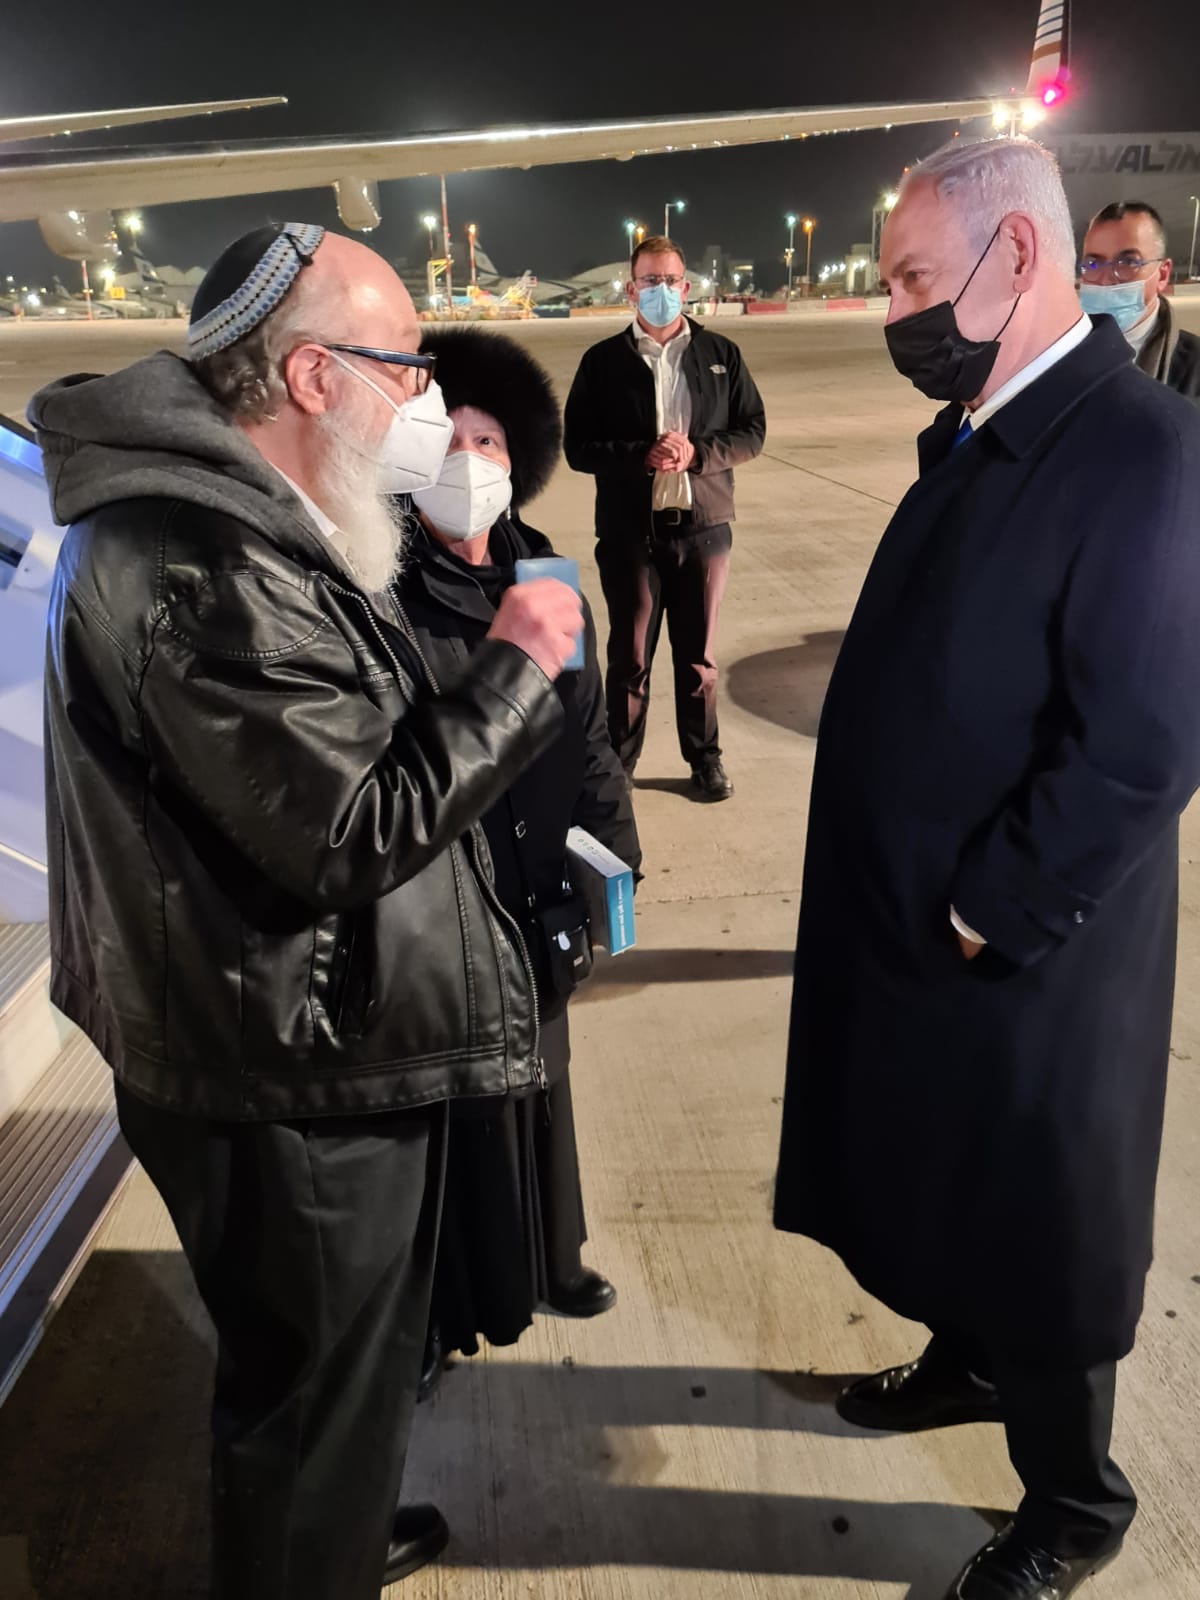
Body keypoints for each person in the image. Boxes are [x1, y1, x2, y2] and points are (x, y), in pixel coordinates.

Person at [31, 223, 584, 1600]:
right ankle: (304, 1555)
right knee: (307, 1399)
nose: (423, 404)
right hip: (284, 1072)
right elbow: (350, 826)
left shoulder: (236, 512)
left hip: (276, 1032)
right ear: (317, 374)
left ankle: (326, 1526)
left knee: (325, 1392)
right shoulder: (204, 563)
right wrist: (516, 666)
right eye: (406, 368)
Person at [774, 137, 1200, 1600]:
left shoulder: (1140, 450)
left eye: (908, 278)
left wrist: (981, 908)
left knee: (1041, 1213)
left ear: (1016, 259)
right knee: (951, 1173)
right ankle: (968, 1363)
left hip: (1027, 945)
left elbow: (1145, 741)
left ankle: (1076, 1505)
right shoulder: (988, 428)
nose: (891, 309)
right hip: (935, 924)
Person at [392, 327, 640, 1395]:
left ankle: (554, 1256)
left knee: (546, 1077)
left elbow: (585, 732)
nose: (468, 457)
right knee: (460, 1110)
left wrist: (612, 849)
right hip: (455, 898)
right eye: (447, 435)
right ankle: (445, 1311)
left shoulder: (546, 572)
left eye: (488, 438)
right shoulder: (387, 588)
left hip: (545, 883)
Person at [563, 235, 765, 801]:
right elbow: (577, 447)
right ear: (631, 289)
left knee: (698, 659)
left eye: (670, 280)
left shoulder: (720, 355)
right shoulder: (601, 363)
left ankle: (705, 760)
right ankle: (617, 766)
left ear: (686, 286)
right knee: (628, 660)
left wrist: (698, 454)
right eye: (649, 281)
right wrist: (638, 456)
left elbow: (753, 431)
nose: (661, 290)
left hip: (704, 531)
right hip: (631, 534)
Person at [1079, 200, 1199, 400]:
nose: (1107, 279)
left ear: (1162, 274)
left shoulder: (1194, 368)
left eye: (1128, 262)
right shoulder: (1060, 352)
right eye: (1093, 264)